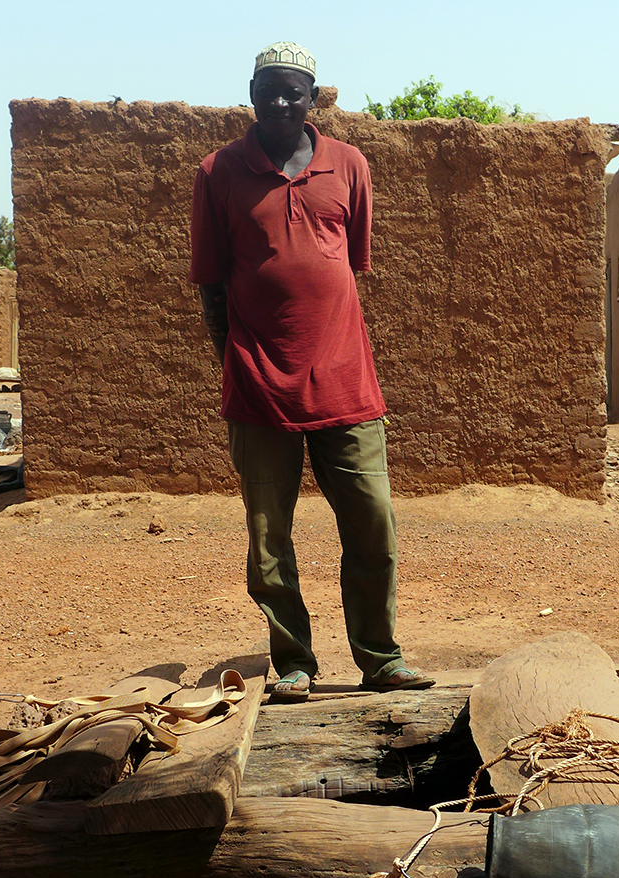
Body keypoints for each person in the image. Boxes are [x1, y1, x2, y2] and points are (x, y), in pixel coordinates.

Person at [189, 41, 433, 701]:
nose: (278, 102)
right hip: (258, 387)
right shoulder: (218, 172)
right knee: (269, 541)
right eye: (267, 89)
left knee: (373, 523)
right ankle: (294, 660)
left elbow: (346, 267)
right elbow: (211, 284)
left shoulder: (349, 165)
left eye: (292, 91)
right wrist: (233, 360)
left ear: (313, 98)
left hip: (346, 382)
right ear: (250, 92)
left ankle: (380, 657)